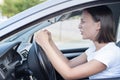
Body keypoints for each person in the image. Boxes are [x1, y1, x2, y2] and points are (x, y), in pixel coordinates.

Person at [34, 5, 120, 79]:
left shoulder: (109, 53)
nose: (79, 26)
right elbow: (69, 64)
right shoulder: (94, 49)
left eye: (83, 21)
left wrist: (44, 44)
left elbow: (69, 75)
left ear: (98, 25)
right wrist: (50, 41)